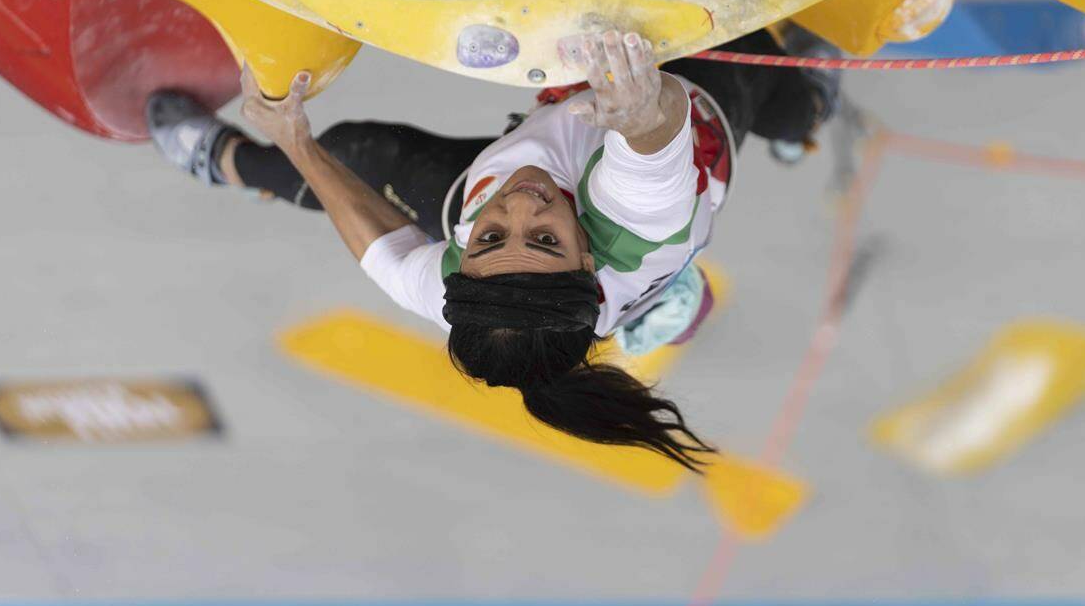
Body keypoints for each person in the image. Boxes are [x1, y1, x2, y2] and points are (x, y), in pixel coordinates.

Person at [146, 25, 839, 471]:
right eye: (544, 238)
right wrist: (643, 109)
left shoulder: (467, 290)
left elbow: (377, 245)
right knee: (771, 65)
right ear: (589, 263)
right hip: (694, 102)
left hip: (566, 123)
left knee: (354, 154)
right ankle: (809, 108)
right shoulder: (637, 227)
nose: (518, 203)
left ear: (459, 263)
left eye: (490, 236)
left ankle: (222, 160)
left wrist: (293, 137)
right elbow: (656, 140)